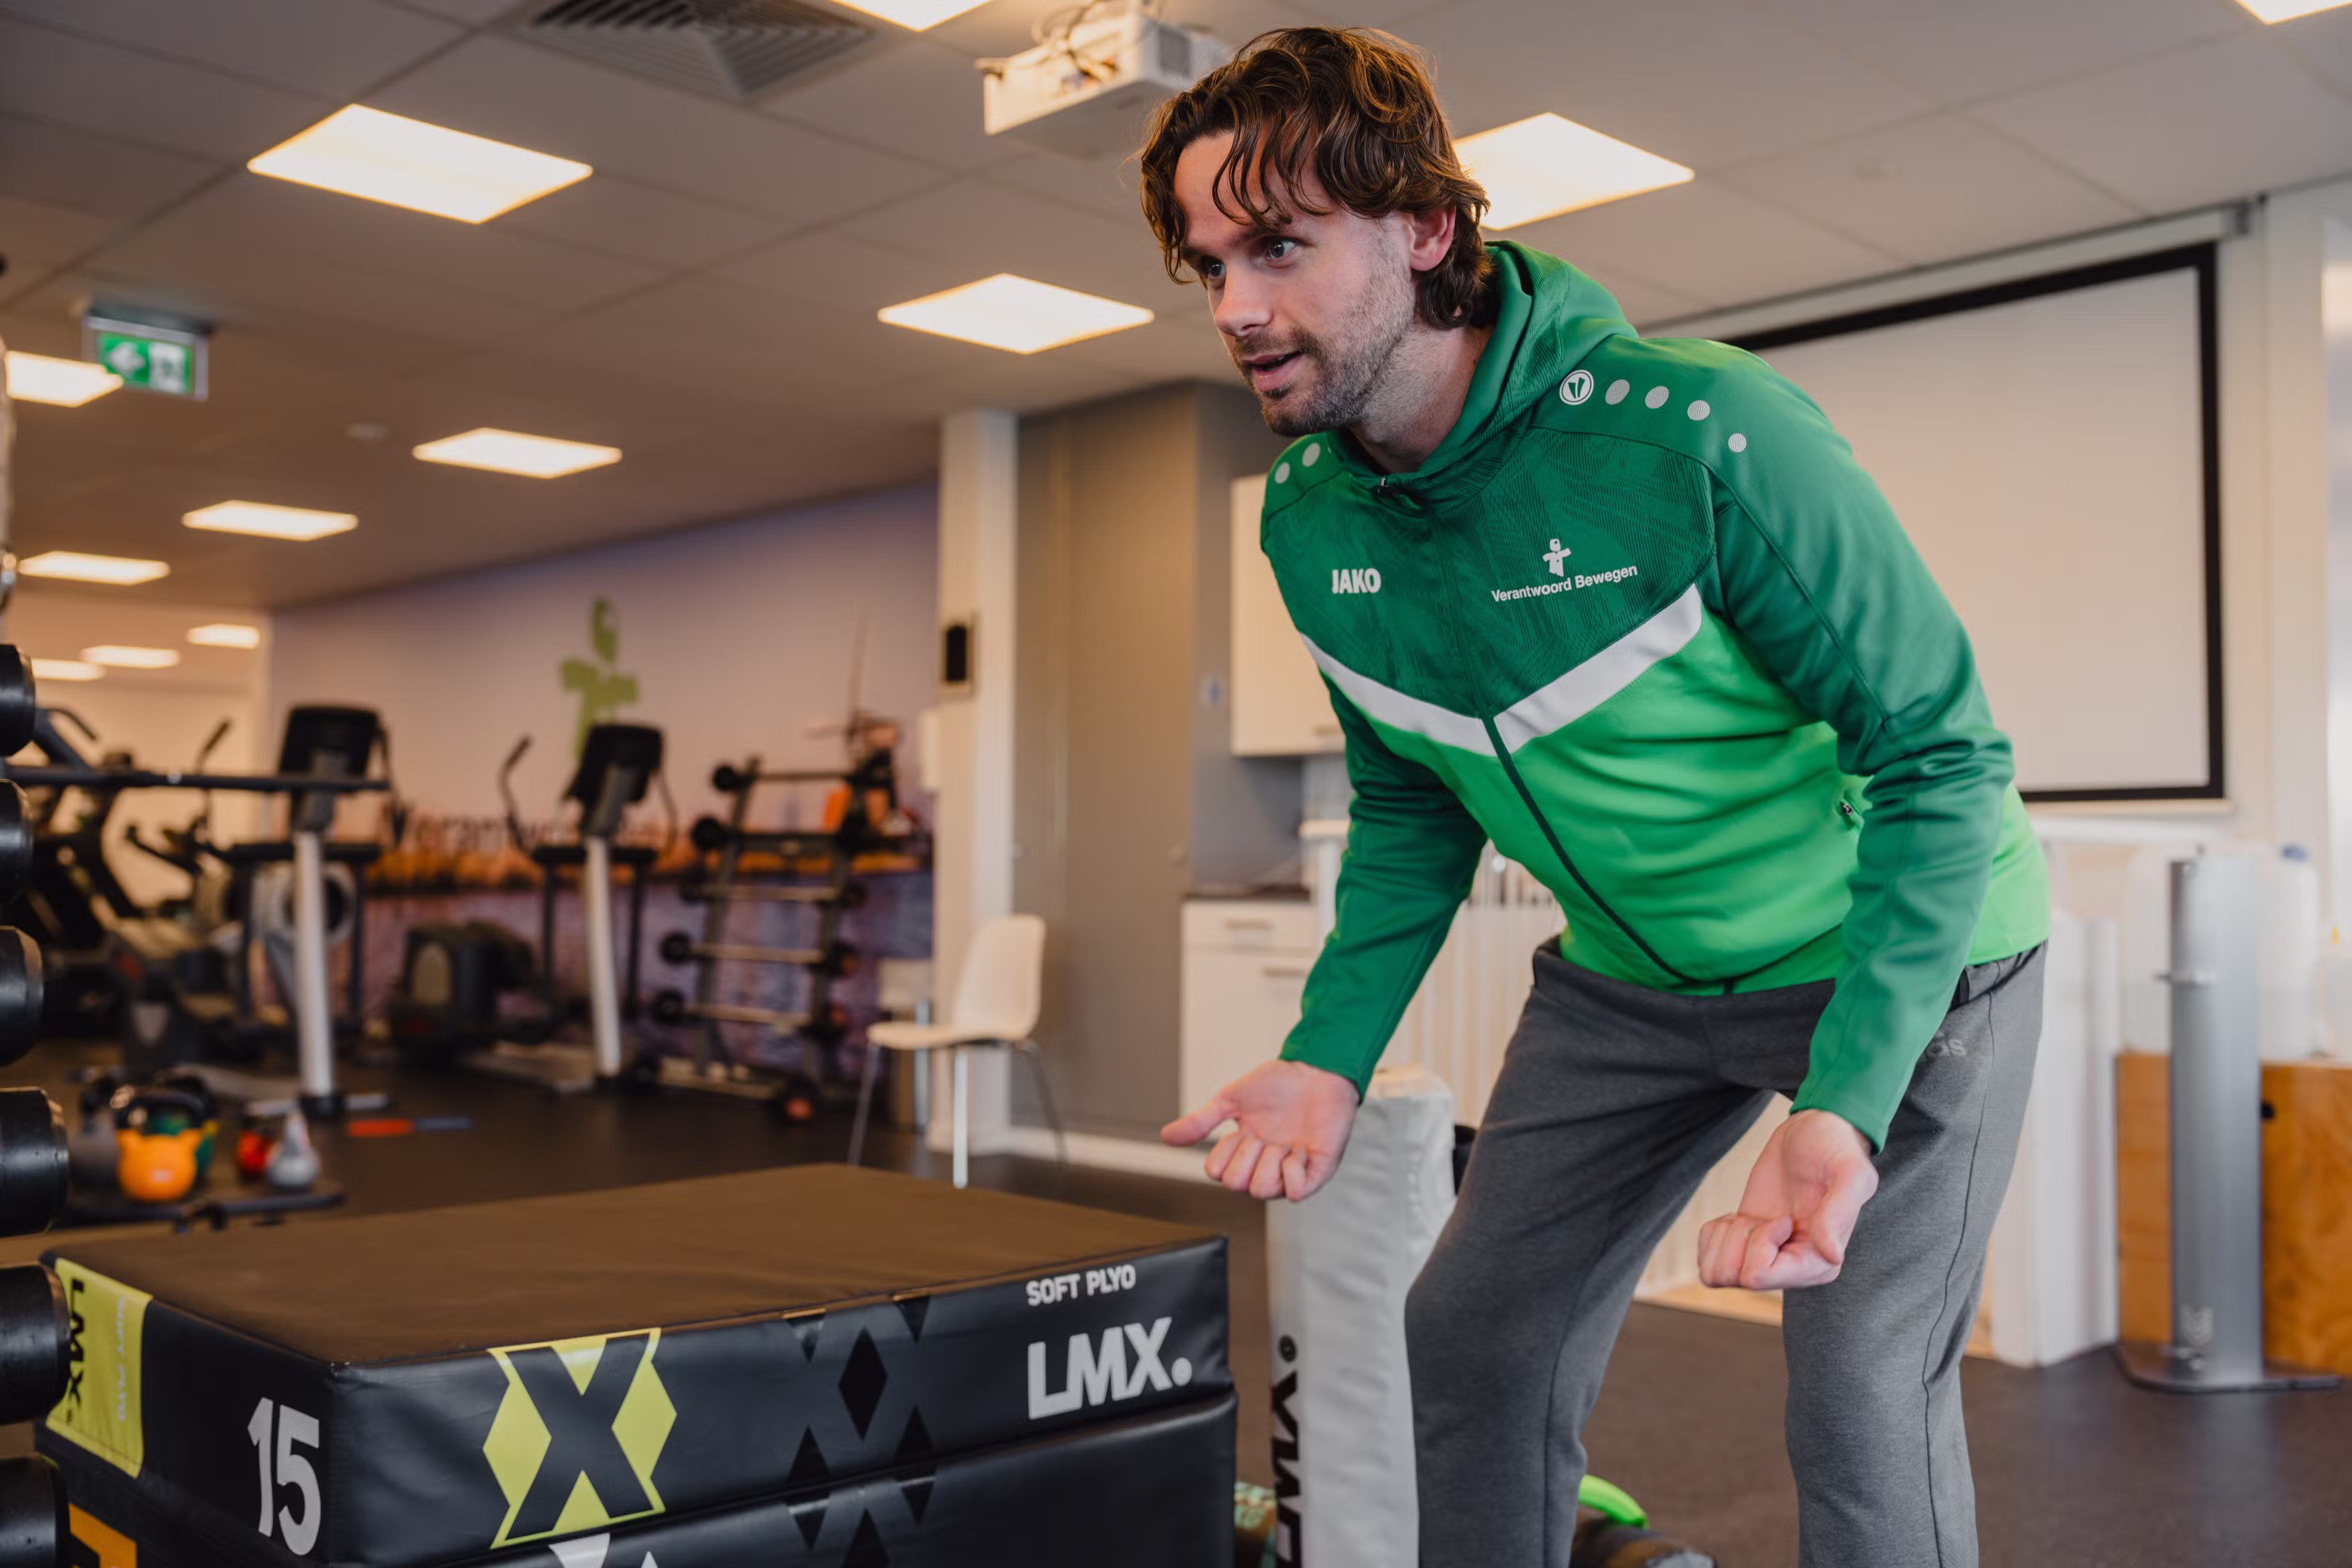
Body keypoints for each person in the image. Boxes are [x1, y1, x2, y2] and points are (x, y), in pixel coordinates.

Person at [1140, 28, 2050, 1568]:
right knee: (1474, 1337)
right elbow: (1412, 802)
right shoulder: (1309, 522)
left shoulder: (1698, 436)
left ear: (1424, 229)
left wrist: (1844, 1095)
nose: (1236, 308)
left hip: (1905, 955)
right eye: (1210, 260)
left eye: (1280, 248)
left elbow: (1942, 754)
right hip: (1629, 991)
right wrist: (1328, 1052)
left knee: (1855, 1396)